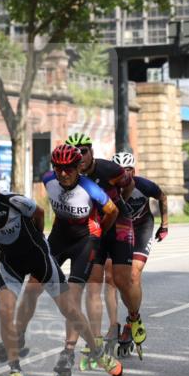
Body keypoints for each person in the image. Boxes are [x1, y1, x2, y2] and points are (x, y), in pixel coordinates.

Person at [0, 167, 124, 376]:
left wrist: (36, 241)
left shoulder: (16, 203)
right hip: (10, 265)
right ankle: (15, 373)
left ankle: (98, 351)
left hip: (40, 261)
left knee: (70, 310)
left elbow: (39, 215)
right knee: (5, 310)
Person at [63, 133, 147, 355]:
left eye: (83, 151)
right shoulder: (69, 176)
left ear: (91, 152)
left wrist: (120, 203)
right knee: (94, 283)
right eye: (74, 153)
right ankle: (96, 339)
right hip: (95, 229)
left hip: (119, 225)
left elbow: (129, 185)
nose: (79, 156)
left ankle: (134, 317)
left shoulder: (109, 169)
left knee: (122, 280)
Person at [100, 152, 168, 358]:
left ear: (134, 171)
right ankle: (113, 325)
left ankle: (132, 319)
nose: (125, 174)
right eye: (120, 171)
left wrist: (164, 224)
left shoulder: (143, 185)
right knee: (110, 277)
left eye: (128, 170)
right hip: (119, 229)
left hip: (141, 228)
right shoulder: (106, 187)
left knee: (133, 275)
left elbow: (162, 197)